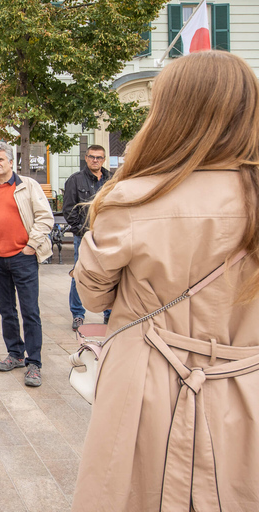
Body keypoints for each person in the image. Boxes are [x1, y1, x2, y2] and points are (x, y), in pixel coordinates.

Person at [72, 51, 259, 511]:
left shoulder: (132, 199)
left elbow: (92, 294)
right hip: (247, 387)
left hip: (149, 382)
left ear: (169, 114)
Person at [0, 141, 54, 387]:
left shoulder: (28, 186)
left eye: (1, 159)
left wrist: (31, 246)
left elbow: (45, 218)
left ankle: (34, 363)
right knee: (6, 310)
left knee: (30, 311)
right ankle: (15, 354)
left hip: (23, 257)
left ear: (11, 161)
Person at [62, 145, 111, 330]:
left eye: (99, 157)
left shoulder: (111, 180)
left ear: (103, 159)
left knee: (108, 274)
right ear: (86, 157)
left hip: (107, 235)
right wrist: (81, 230)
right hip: (84, 235)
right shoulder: (75, 180)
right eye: (92, 157)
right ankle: (77, 314)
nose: (95, 160)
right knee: (79, 274)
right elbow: (69, 209)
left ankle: (110, 313)